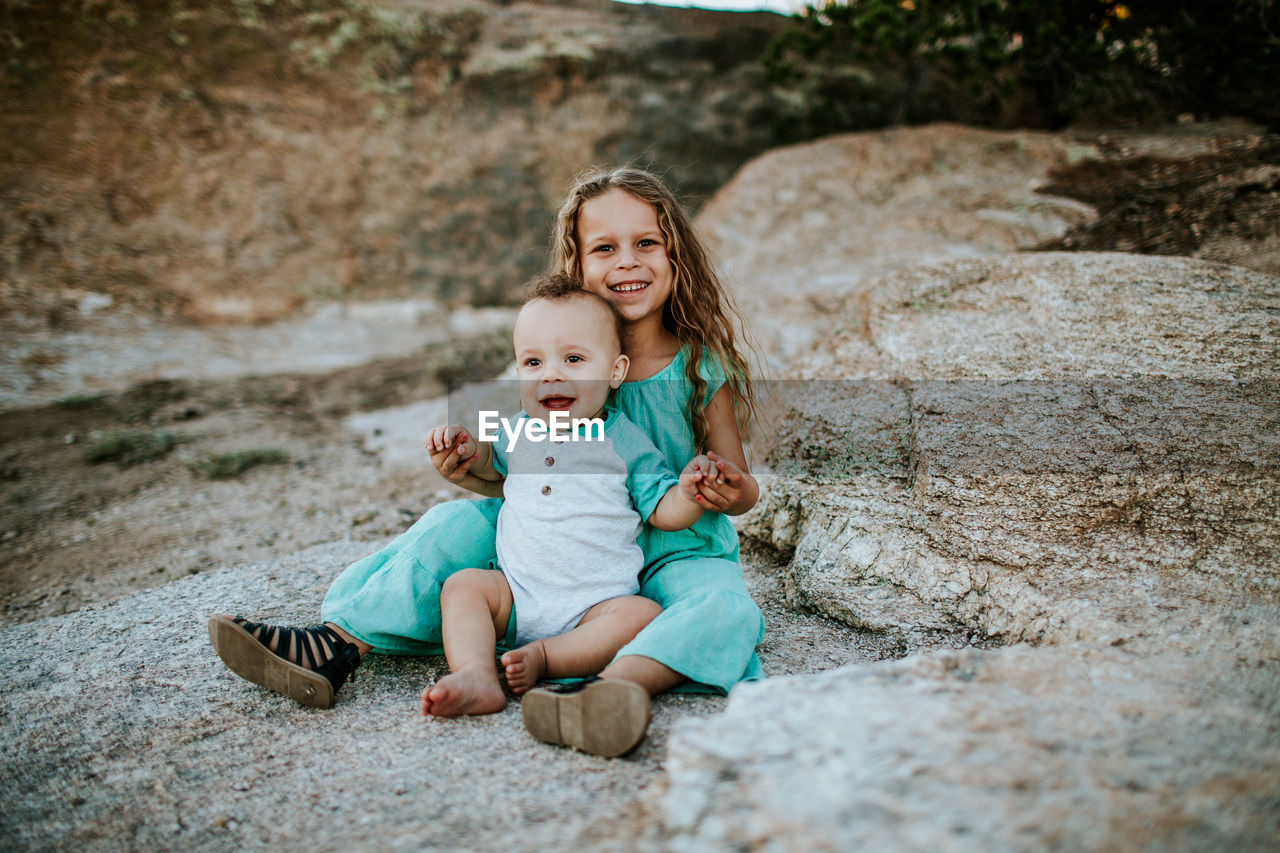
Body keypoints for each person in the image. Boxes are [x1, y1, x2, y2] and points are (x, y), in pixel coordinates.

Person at [208, 166, 763, 753]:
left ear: (677, 256)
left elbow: (742, 482)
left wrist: (724, 488)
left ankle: (615, 687)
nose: (626, 262)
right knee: (451, 527)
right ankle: (337, 644)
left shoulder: (700, 366)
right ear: (576, 267)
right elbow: (507, 472)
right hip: (557, 537)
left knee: (724, 606)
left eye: (646, 243)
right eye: (605, 248)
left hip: (674, 541)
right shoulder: (549, 356)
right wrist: (462, 465)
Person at [417, 276, 711, 756]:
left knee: (642, 615)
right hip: (517, 597)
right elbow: (490, 465)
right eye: (533, 362)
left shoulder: (625, 440)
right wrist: (465, 447)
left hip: (595, 607)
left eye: (573, 359)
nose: (550, 375)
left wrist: (689, 491)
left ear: (615, 371)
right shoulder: (516, 429)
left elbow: (661, 509)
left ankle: (545, 658)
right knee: (464, 586)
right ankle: (475, 674)